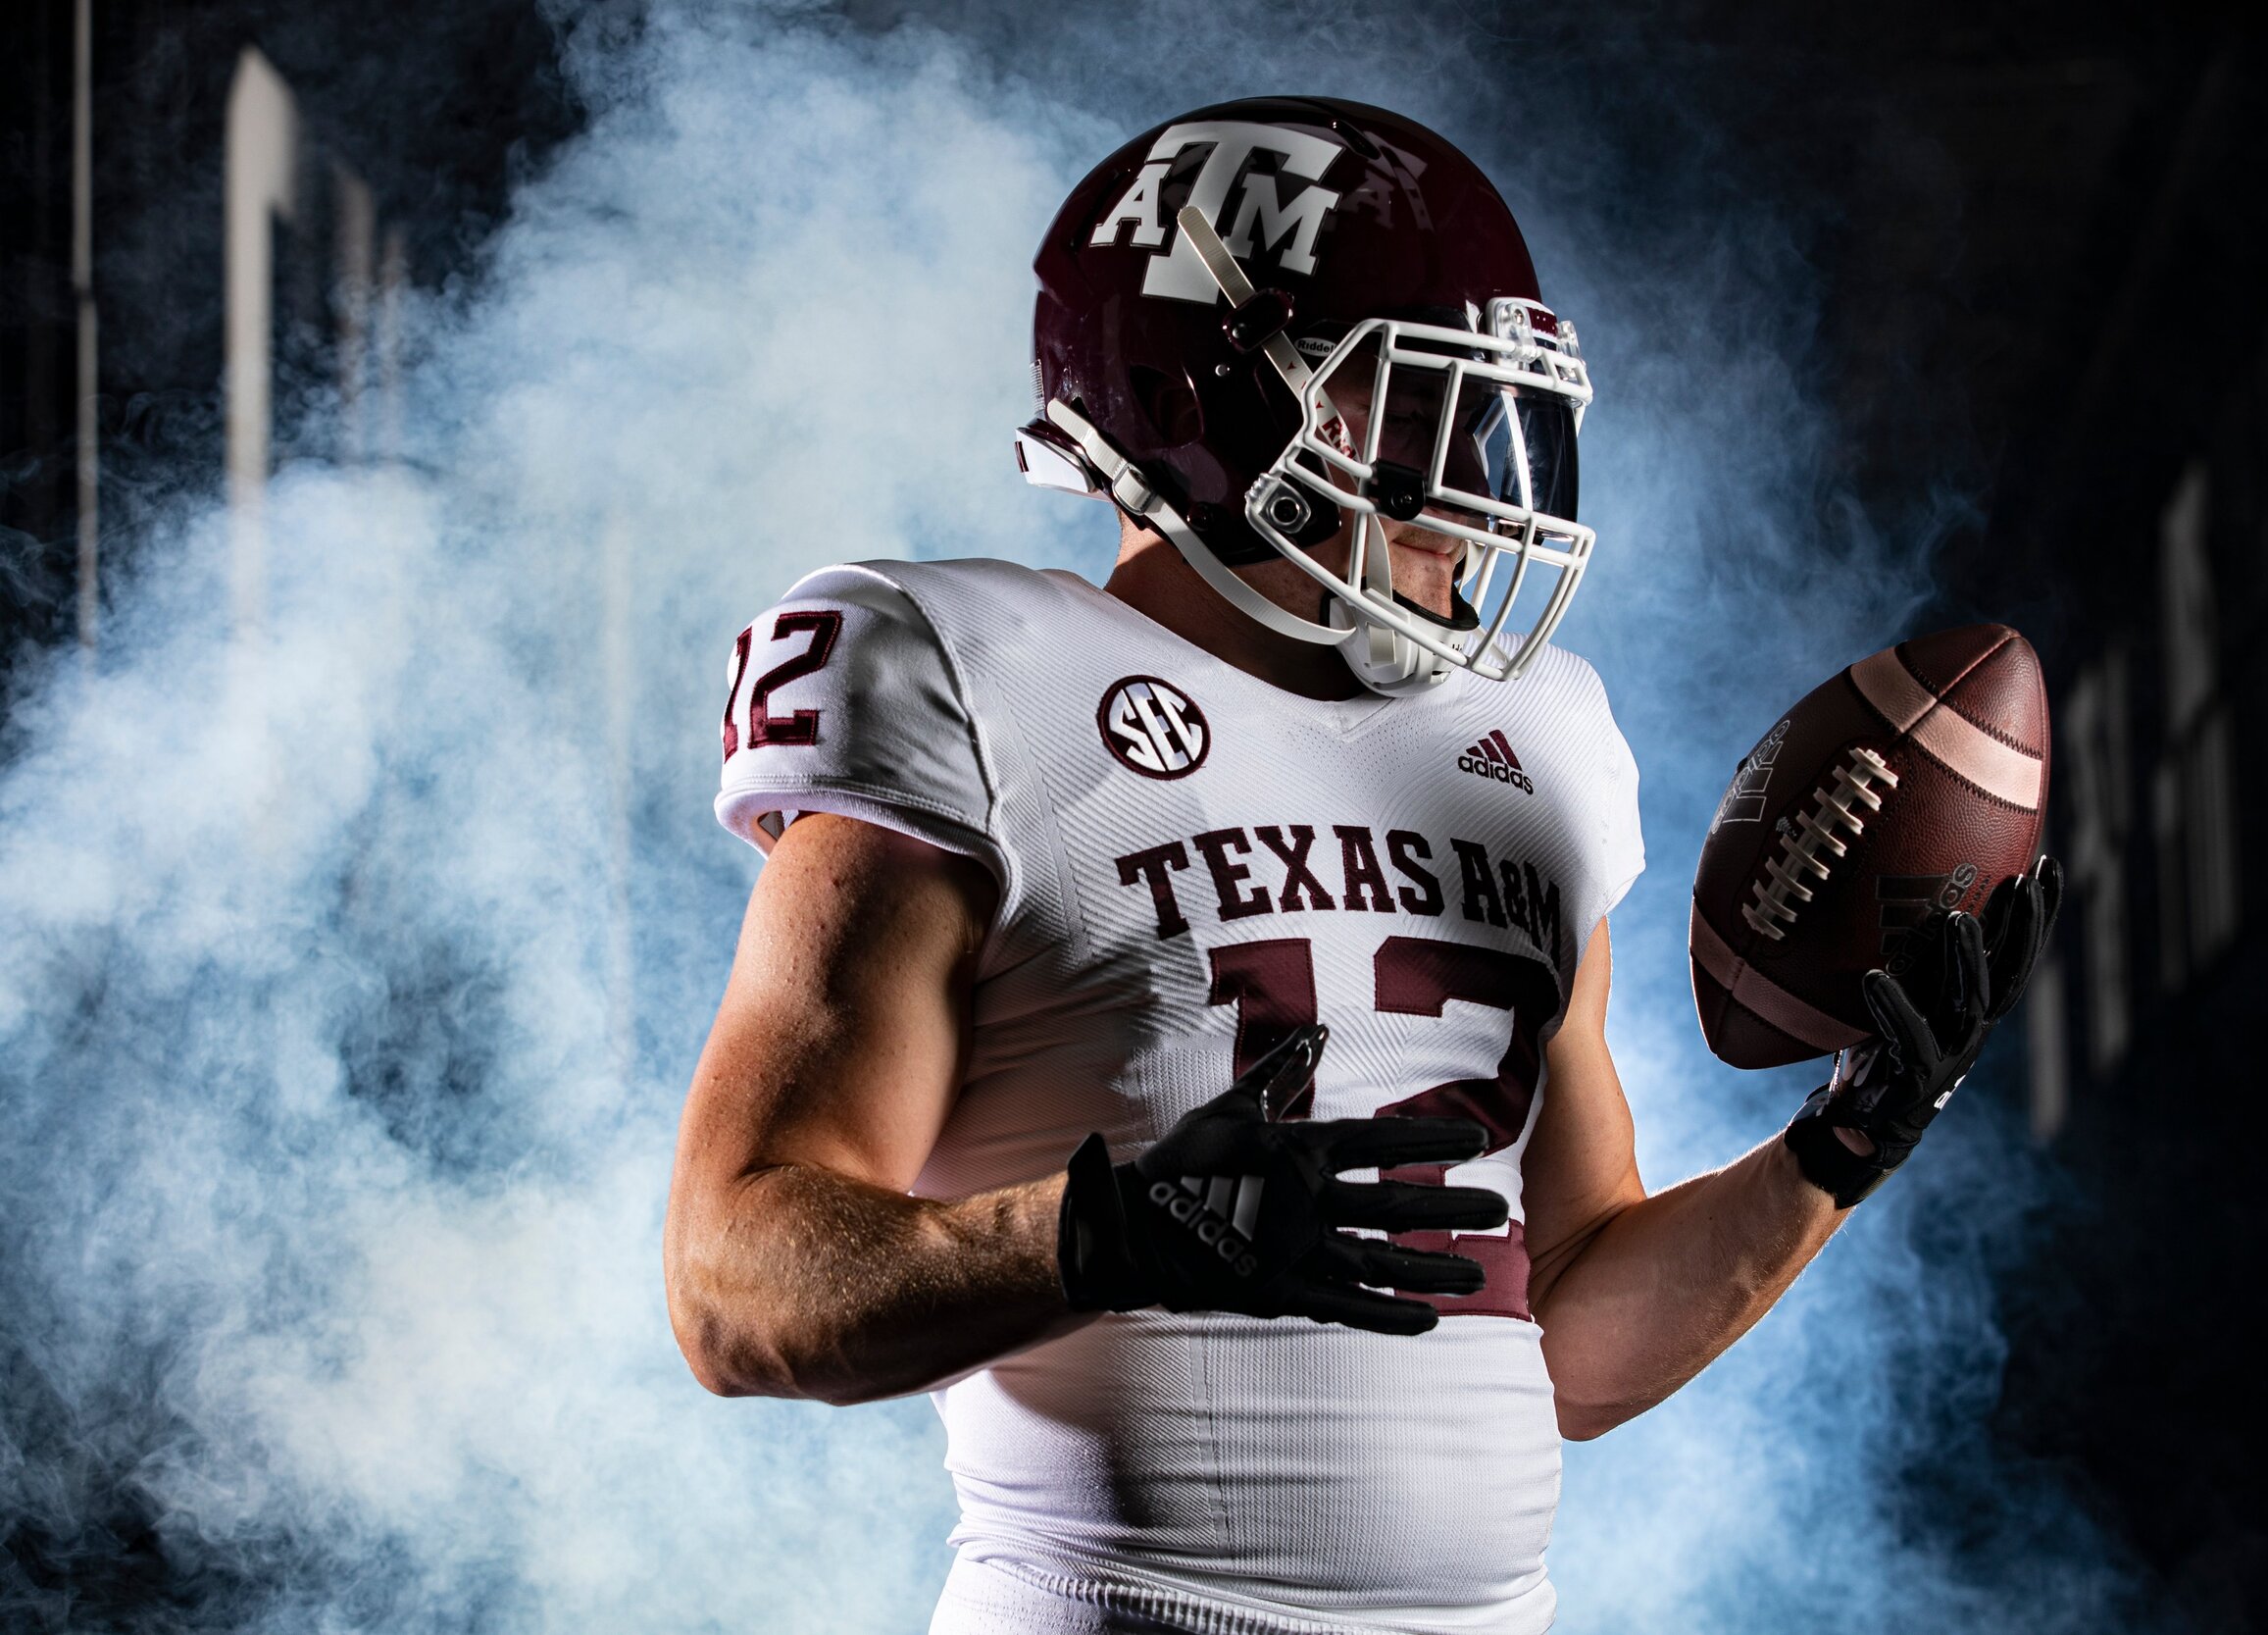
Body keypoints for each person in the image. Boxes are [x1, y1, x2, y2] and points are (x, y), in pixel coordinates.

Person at [662, 97, 2058, 1635]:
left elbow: (1576, 1336)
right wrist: (1095, 1235)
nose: (1482, 483)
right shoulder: (965, 673)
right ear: (1215, 398)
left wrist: (1837, 1152)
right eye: (1417, 410)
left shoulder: (1543, 735)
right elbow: (733, 1285)